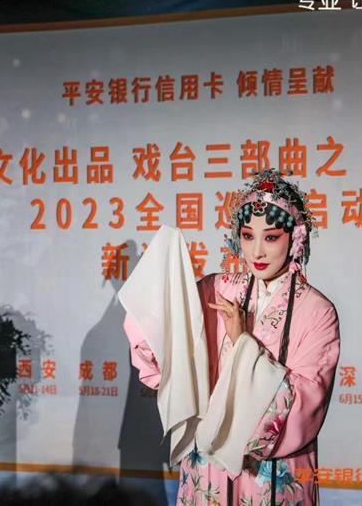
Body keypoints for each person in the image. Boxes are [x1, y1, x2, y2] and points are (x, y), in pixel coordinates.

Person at [121, 169, 340, 505]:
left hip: (272, 472)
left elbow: (304, 405)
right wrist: (155, 308)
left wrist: (242, 344)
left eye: (271, 238)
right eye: (248, 236)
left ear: (296, 238)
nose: (257, 252)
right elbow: (172, 351)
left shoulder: (317, 311)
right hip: (208, 468)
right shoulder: (216, 289)